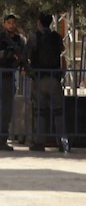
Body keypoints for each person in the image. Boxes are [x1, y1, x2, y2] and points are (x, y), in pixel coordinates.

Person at [26, 13, 69, 153]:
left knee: (40, 112)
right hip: (54, 78)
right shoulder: (56, 36)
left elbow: (28, 54)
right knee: (58, 112)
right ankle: (62, 142)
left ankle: (39, 142)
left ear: (39, 22)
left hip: (39, 78)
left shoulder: (34, 37)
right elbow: (62, 50)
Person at [0, 13, 26, 151]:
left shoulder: (19, 40)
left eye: (13, 23)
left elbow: (23, 56)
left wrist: (23, 66)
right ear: (4, 24)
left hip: (8, 75)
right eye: (9, 23)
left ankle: (2, 139)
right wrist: (4, 54)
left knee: (7, 108)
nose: (12, 25)